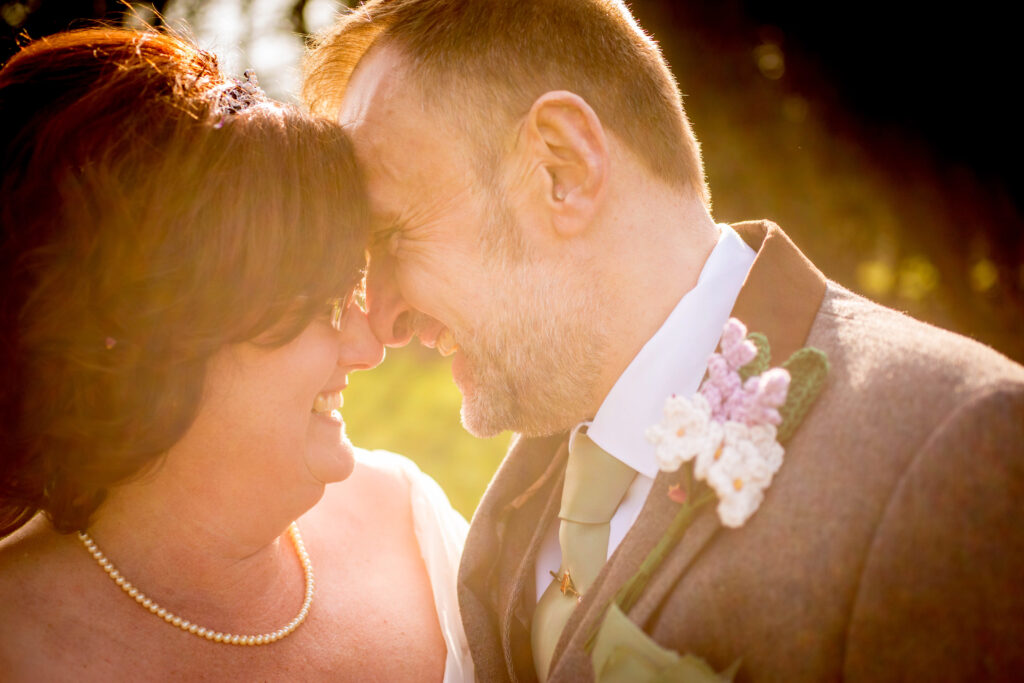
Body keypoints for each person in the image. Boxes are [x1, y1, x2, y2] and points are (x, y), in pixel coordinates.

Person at [303, 0, 1024, 680]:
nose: (379, 314)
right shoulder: (517, 510)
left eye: (394, 236)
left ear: (561, 168)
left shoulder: (954, 452)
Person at [0, 28, 472, 681]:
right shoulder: (15, 639)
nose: (368, 350)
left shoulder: (412, 524)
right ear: (151, 333)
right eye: (322, 307)